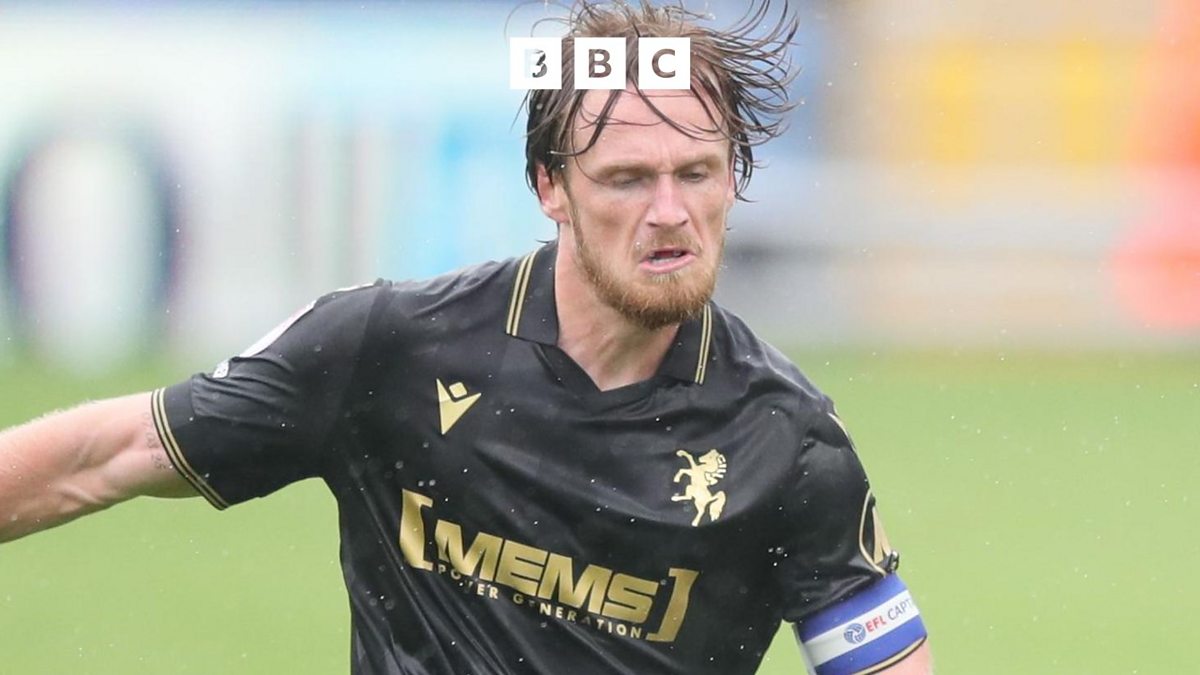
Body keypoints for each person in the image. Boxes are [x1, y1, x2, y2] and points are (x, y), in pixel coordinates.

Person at [0, 2, 932, 673]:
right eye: (626, 179)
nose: (668, 211)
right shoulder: (389, 349)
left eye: (697, 172)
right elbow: (110, 454)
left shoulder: (786, 439)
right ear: (550, 187)